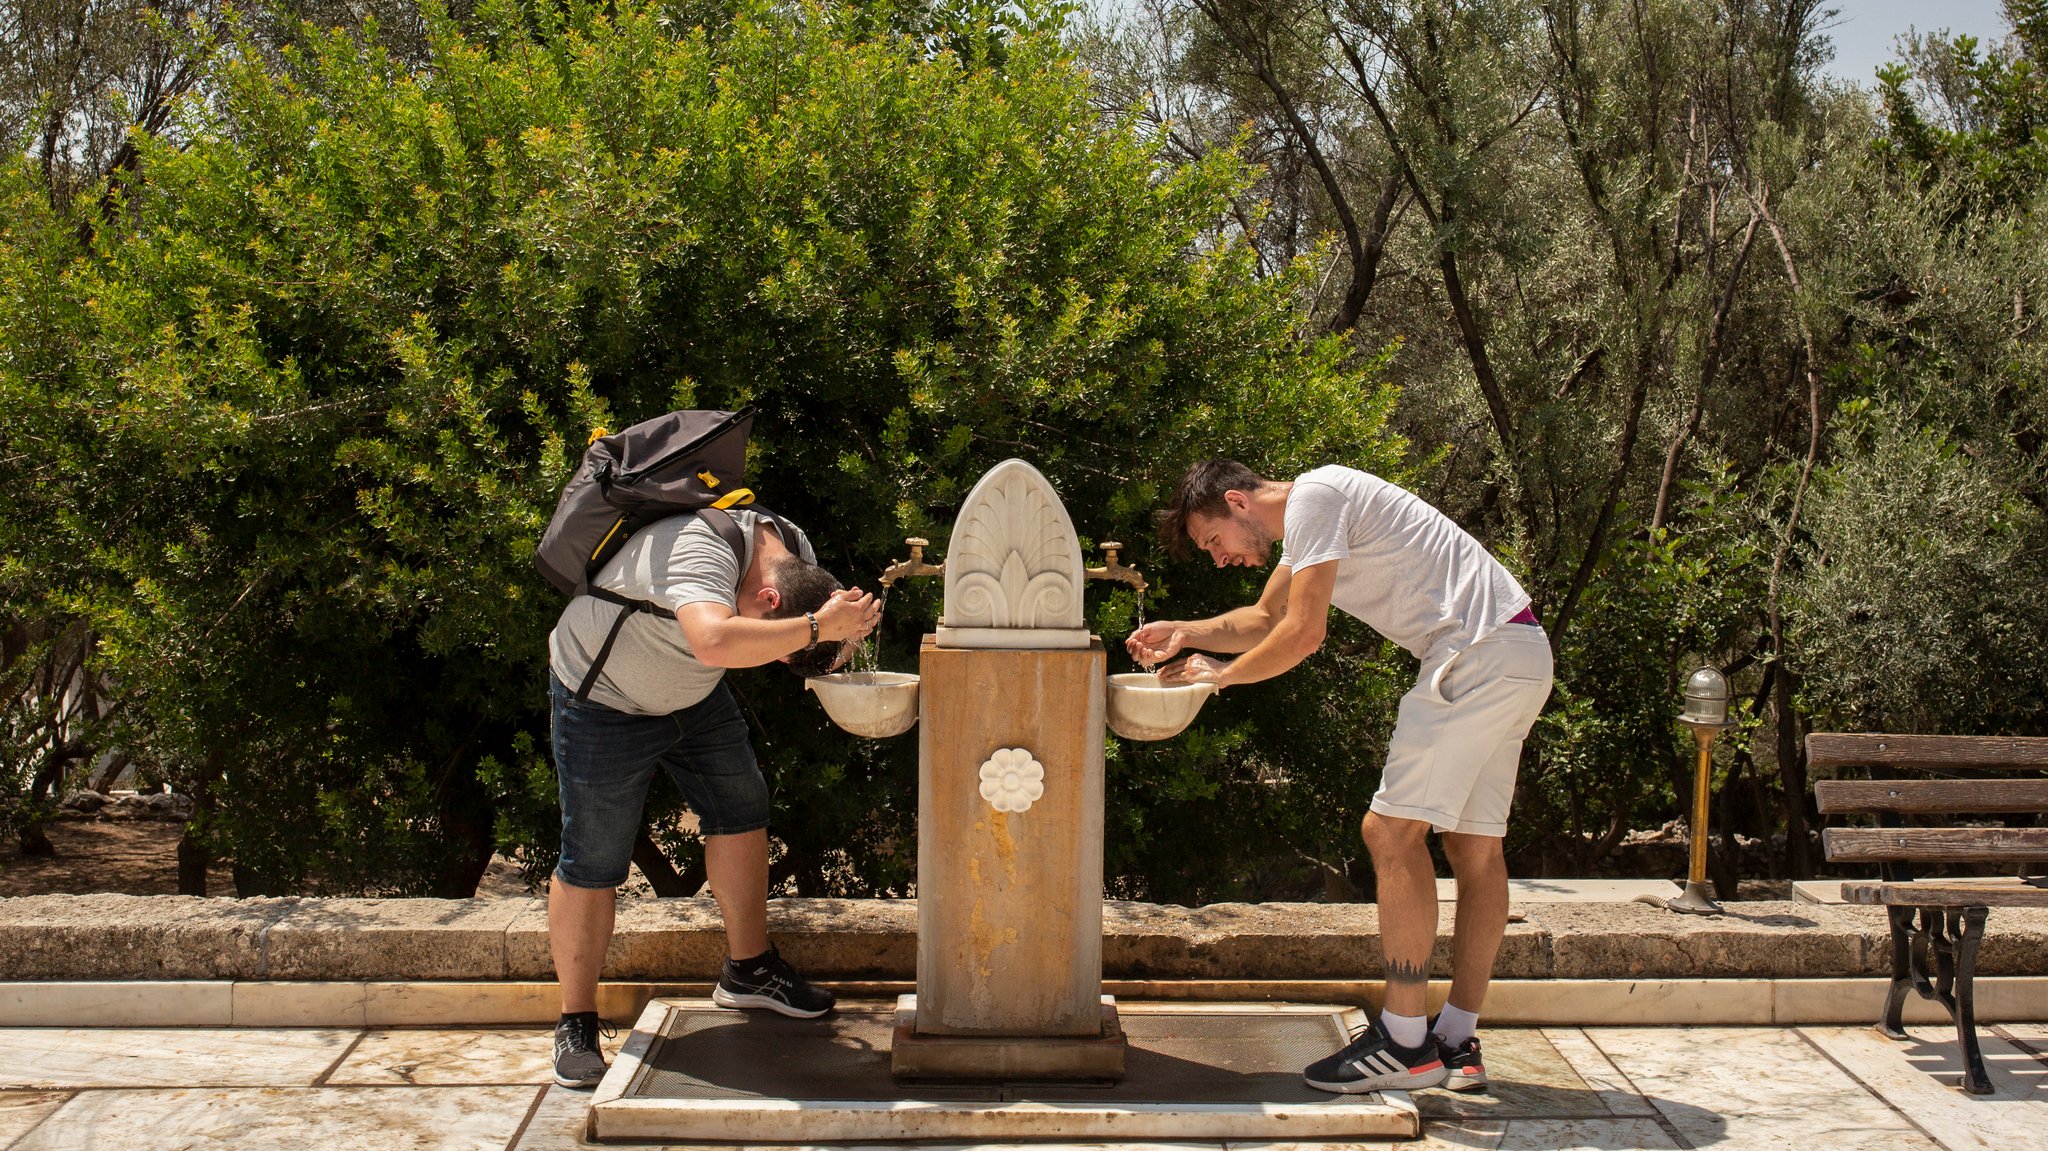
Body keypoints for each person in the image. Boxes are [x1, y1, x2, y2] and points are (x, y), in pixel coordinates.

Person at [1128, 459, 1551, 1095]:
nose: (1217, 558)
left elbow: (1302, 633)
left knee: (1389, 833)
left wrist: (1219, 676)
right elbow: (1265, 619)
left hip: (1474, 656)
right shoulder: (1313, 517)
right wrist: (1187, 632)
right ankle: (1455, 1040)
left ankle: (1406, 1044)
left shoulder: (1315, 498)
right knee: (1472, 846)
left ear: (1239, 503)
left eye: (1213, 540)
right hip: (1518, 650)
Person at [544, 505, 880, 1088]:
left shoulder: (791, 547)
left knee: (742, 809)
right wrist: (819, 630)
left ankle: (748, 971)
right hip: (605, 697)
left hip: (693, 698)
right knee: (594, 858)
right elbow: (715, 639)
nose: (775, 663)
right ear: (772, 602)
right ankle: (575, 1021)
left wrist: (835, 642)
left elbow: (802, 628)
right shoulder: (698, 549)